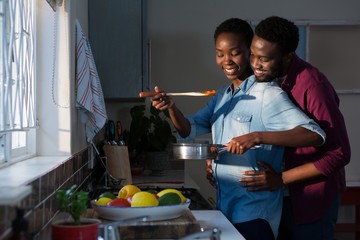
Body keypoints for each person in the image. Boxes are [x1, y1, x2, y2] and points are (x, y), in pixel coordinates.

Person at [149, 18, 325, 240]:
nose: (226, 61)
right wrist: (171, 107)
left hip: (254, 213)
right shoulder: (222, 95)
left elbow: (315, 134)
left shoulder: (268, 94)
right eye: (220, 53)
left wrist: (257, 136)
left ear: (250, 52)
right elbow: (188, 129)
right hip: (226, 208)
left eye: (234, 52)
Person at [238, 16, 351, 240]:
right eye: (252, 54)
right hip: (276, 197)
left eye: (265, 59)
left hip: (310, 201)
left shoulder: (313, 85)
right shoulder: (264, 79)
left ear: (288, 56)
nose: (255, 64)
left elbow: (340, 153)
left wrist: (281, 179)